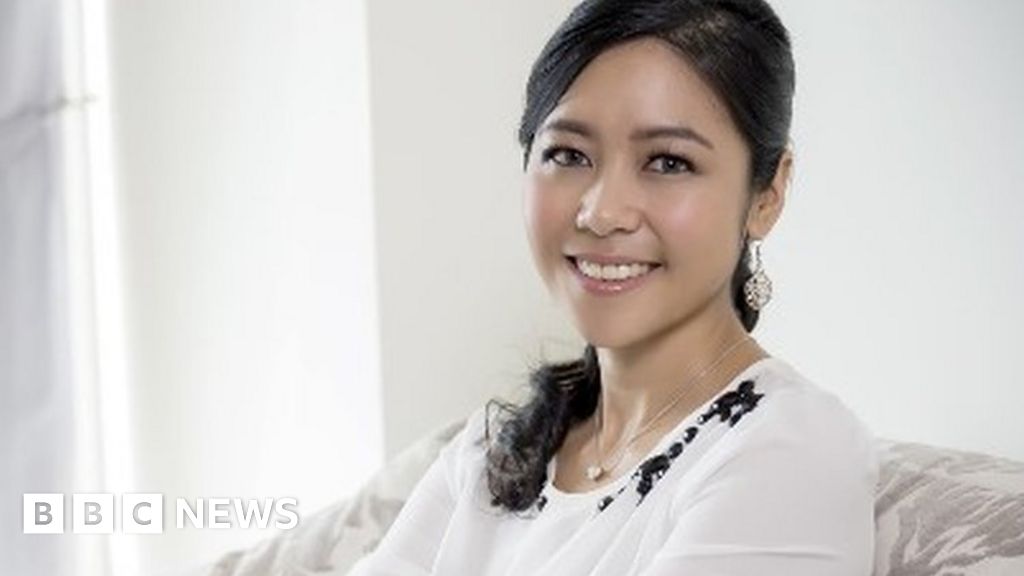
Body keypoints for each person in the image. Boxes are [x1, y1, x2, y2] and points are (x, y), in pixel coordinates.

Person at [350, 0, 877, 574]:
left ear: (767, 194)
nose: (601, 213)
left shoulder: (788, 450)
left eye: (668, 163)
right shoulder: (490, 453)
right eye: (569, 154)